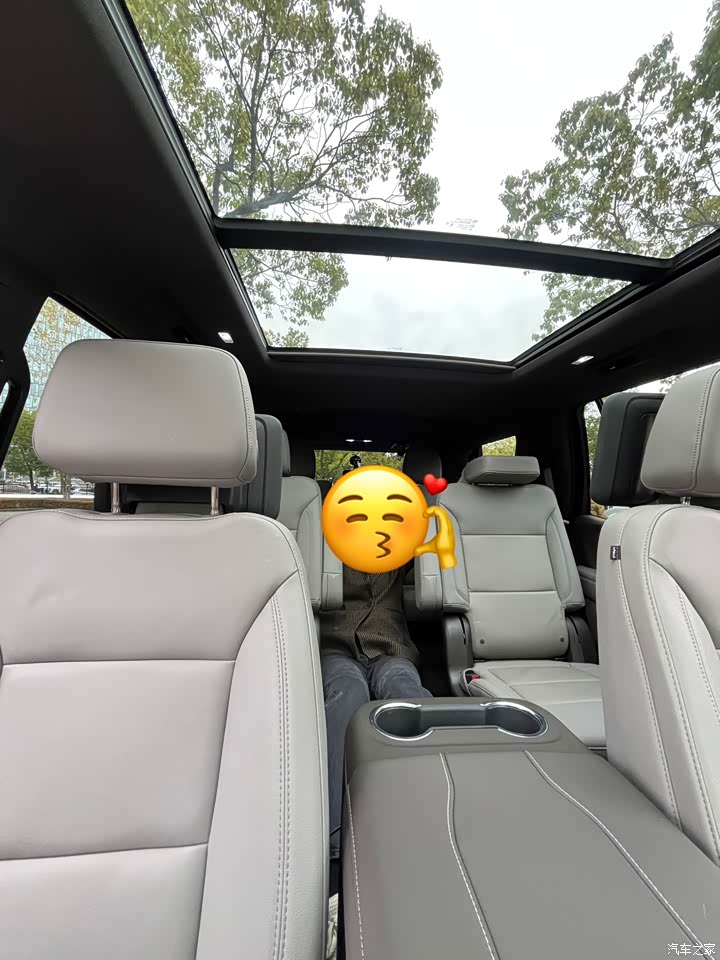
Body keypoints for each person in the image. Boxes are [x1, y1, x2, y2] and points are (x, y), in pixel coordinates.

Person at [319, 561, 432, 861]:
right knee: (348, 692)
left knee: (407, 693)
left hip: (390, 648)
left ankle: (426, 817)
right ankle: (335, 840)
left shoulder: (396, 547)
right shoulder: (324, 547)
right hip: (336, 647)